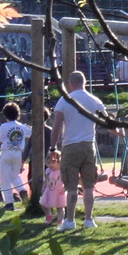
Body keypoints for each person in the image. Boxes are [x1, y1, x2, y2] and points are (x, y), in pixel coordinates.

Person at [49, 70, 105, 231]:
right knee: (88, 185)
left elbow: (57, 126)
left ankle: (70, 220)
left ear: (70, 84)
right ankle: (89, 219)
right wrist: (118, 131)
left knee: (71, 186)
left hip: (70, 145)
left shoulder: (65, 101)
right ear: (85, 82)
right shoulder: (95, 100)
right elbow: (107, 120)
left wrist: (53, 147)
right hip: (88, 145)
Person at [0, 101, 30, 209]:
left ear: (5, 115)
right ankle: (22, 190)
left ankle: (9, 202)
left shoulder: (4, 126)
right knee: (14, 175)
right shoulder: (22, 127)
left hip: (7, 153)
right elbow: (31, 132)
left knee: (4, 178)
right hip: (18, 153)